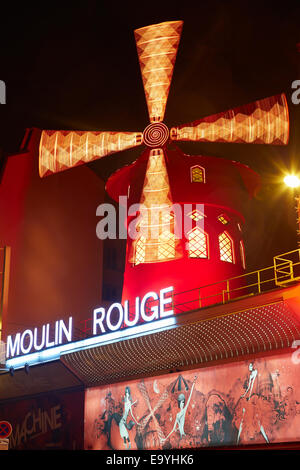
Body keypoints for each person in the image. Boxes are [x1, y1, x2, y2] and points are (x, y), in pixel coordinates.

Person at [162, 376, 197, 442]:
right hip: (181, 435)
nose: (182, 404)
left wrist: (194, 382)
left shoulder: (184, 410)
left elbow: (189, 397)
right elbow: (173, 429)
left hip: (183, 434)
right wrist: (165, 438)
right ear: (179, 402)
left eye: (183, 402)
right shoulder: (177, 415)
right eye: (181, 402)